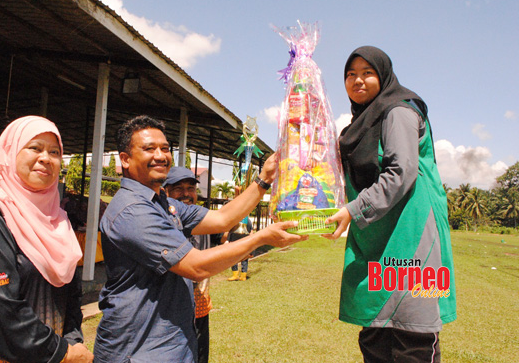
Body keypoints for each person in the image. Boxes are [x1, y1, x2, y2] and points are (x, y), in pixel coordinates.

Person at [94, 115, 307, 363]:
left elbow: (222, 219)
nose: (161, 155)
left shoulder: (165, 204)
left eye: (165, 148)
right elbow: (196, 266)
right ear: (125, 160)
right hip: (139, 350)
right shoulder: (131, 210)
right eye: (149, 149)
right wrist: (259, 238)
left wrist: (264, 178)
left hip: (173, 343)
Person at [324, 46, 456, 362]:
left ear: (383, 75)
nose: (357, 80)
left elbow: (403, 171)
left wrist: (353, 210)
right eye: (350, 74)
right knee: (376, 334)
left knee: (414, 337)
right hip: (376, 239)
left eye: (367, 72)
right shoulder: (356, 127)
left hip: (413, 234)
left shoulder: (399, 110)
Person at [0, 116, 94, 363]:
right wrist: (61, 352)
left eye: (54, 152)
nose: (46, 158)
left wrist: (72, 339)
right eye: (34, 148)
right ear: (10, 153)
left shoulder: (58, 222)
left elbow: (72, 297)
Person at [164, 166, 211, 363]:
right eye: (178, 188)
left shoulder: (204, 220)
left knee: (200, 356)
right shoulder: (162, 223)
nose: (186, 194)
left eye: (191, 188)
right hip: (171, 313)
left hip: (200, 307)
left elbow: (227, 230)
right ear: (165, 192)